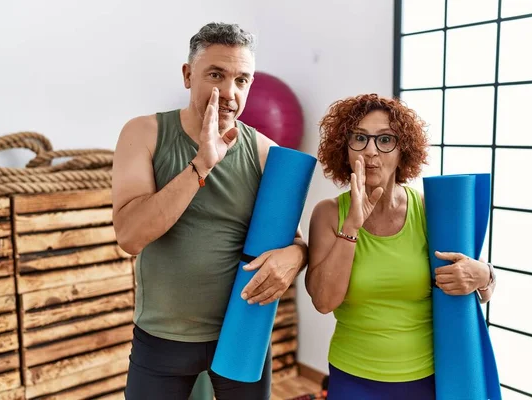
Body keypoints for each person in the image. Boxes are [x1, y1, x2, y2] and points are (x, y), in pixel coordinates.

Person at [112, 22, 308, 400]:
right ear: (188, 75)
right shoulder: (144, 134)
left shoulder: (264, 151)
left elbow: (298, 242)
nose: (230, 93)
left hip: (241, 333)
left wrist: (296, 255)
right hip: (161, 337)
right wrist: (201, 165)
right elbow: (130, 236)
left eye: (242, 80)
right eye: (216, 75)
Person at [305, 94, 497, 400]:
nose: (371, 151)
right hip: (353, 374)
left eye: (385, 140)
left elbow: (479, 286)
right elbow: (324, 302)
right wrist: (351, 227)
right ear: (345, 148)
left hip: (428, 376)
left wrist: (484, 275)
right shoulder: (328, 213)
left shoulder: (428, 210)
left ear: (402, 150)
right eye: (359, 138)